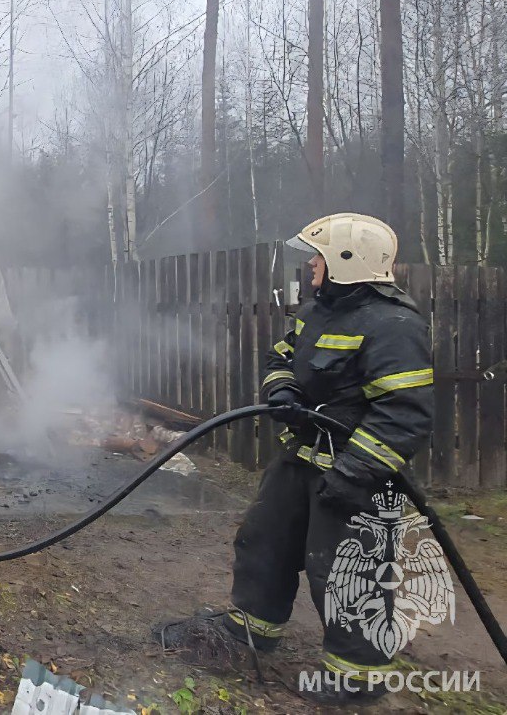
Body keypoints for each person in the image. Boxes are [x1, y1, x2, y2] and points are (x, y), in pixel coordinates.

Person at [155, 213, 434, 706]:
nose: (311, 265)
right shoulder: (318, 310)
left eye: (320, 256)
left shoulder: (393, 325)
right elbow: (280, 358)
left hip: (357, 472)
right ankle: (251, 628)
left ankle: (357, 677)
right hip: (301, 457)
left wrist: (352, 474)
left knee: (346, 569)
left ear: (348, 261)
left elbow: (405, 414)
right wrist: (282, 390)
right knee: (264, 539)